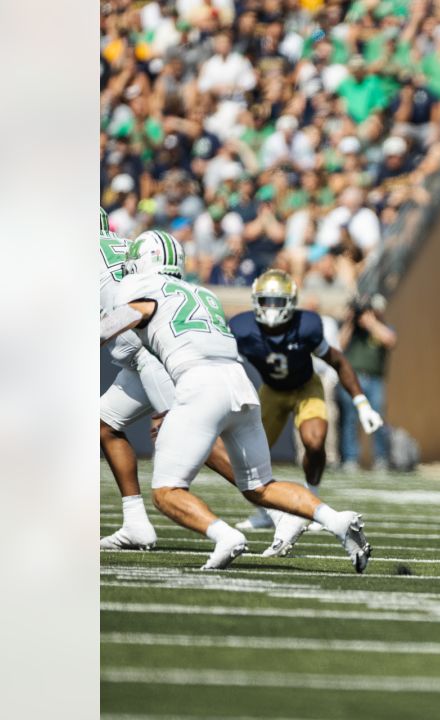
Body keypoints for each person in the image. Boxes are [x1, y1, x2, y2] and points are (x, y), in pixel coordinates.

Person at [99, 230, 372, 572]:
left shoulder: (143, 292)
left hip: (199, 385)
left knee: (166, 492)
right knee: (261, 487)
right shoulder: (201, 292)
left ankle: (225, 535)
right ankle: (337, 519)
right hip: (239, 385)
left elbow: (109, 328)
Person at [98, 216, 245, 550]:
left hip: (147, 350)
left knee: (186, 430)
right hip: (143, 350)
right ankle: (135, 523)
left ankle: (272, 504)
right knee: (105, 424)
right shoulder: (124, 244)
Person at [228, 270, 385, 555]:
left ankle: (310, 502)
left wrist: (362, 403)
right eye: (266, 301)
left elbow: (338, 361)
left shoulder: (308, 325)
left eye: (279, 302)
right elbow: (223, 365)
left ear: (291, 302)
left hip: (305, 386)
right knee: (245, 455)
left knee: (314, 442)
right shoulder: (242, 327)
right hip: (271, 390)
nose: (272, 309)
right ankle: (266, 512)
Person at [338, 293, 397, 471]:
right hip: (352, 378)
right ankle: (350, 459)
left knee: (377, 418)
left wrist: (370, 323)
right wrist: (350, 321)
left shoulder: (382, 326)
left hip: (375, 379)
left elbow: (390, 340)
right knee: (350, 419)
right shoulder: (352, 329)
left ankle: (380, 458)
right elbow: (339, 344)